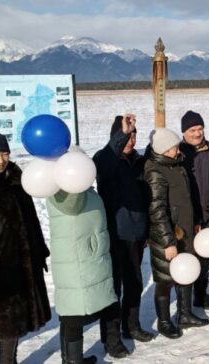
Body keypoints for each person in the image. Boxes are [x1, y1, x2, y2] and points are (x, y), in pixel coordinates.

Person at [46, 184, 128, 362]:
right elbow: (73, 206)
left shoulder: (81, 188)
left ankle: (71, 359)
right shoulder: (64, 191)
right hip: (76, 260)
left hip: (88, 258)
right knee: (73, 313)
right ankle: (73, 361)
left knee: (73, 310)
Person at [93, 114, 154, 342]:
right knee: (113, 289)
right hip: (114, 234)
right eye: (126, 135)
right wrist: (121, 135)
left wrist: (147, 230)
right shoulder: (104, 159)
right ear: (116, 136)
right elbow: (105, 162)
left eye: (134, 134)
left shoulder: (139, 161)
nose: (131, 139)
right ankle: (111, 338)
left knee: (134, 284)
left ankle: (132, 326)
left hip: (136, 234)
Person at [144, 128, 209, 339]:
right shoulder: (155, 171)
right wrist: (168, 241)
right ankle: (164, 322)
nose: (177, 148)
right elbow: (157, 209)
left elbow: (188, 199)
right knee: (165, 279)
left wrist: (195, 222)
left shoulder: (176, 164)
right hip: (168, 235)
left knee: (186, 272)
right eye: (173, 147)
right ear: (163, 149)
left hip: (186, 231)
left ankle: (185, 313)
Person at [0, 133, 51, 364]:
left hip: (18, 265)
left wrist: (39, 251)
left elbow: (31, 220)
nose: (0, 160)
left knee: (12, 325)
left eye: (5, 154)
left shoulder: (18, 181)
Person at [179, 110, 209, 309]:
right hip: (187, 217)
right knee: (188, 260)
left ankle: (200, 295)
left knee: (205, 258)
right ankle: (184, 305)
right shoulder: (177, 153)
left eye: (200, 129)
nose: (197, 134)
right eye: (192, 130)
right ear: (183, 132)